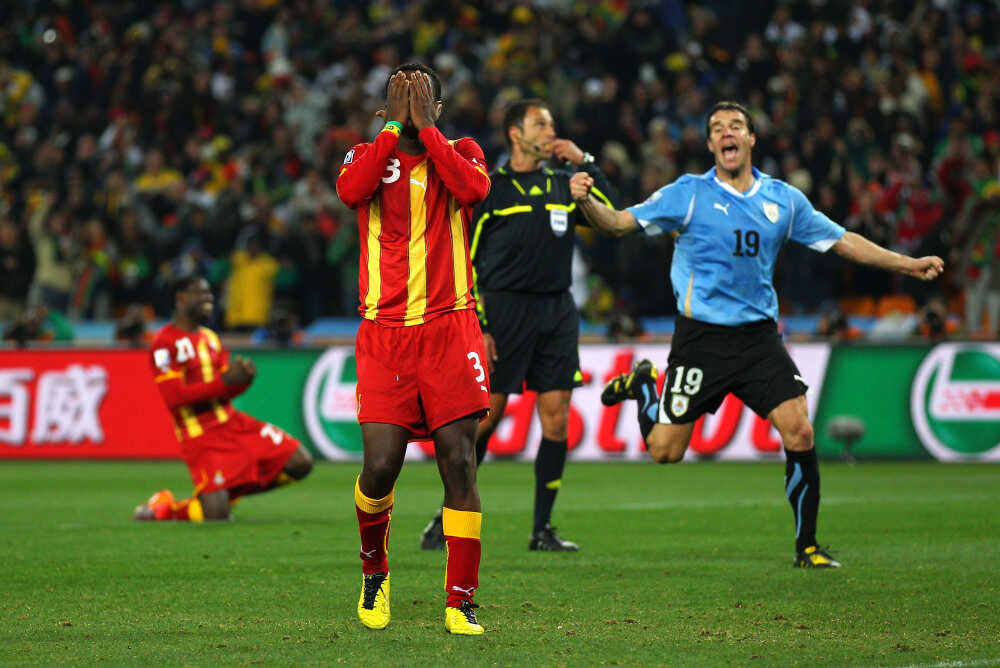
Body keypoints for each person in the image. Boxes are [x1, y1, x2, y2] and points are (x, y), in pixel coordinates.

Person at [569, 101, 944, 568]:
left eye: (736, 126)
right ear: (710, 144)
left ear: (750, 139)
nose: (727, 133)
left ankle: (807, 547)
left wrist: (907, 263)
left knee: (800, 431)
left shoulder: (783, 200)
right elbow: (620, 223)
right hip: (700, 341)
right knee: (665, 452)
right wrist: (587, 201)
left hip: (759, 340)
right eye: (718, 128)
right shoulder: (687, 194)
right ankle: (646, 385)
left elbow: (843, 240)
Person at [418, 98, 617, 552]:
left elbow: (613, 216)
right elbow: (463, 260)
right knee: (485, 420)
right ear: (515, 133)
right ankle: (448, 513)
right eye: (540, 123)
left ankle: (542, 530)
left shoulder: (565, 184)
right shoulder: (491, 189)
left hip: (557, 311)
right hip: (503, 313)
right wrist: (480, 323)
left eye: (552, 122)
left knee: (556, 416)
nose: (550, 131)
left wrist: (585, 162)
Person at [335, 64, 491, 635]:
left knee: (459, 461)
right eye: (398, 104)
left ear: (439, 112)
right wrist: (394, 129)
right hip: (386, 332)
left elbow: (473, 190)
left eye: (425, 104)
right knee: (380, 466)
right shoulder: (366, 155)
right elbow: (351, 192)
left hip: (450, 327)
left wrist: (426, 131)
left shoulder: (463, 152)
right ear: (385, 111)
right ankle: (374, 569)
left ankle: (460, 599)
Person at [134, 274, 313, 522]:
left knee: (300, 462)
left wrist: (242, 380)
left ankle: (226, 492)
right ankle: (164, 509)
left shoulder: (210, 338)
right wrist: (225, 381)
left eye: (210, 294)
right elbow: (174, 398)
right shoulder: (163, 344)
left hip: (231, 422)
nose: (209, 299)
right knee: (216, 515)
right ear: (181, 298)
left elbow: (223, 391)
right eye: (202, 293)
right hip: (200, 435)